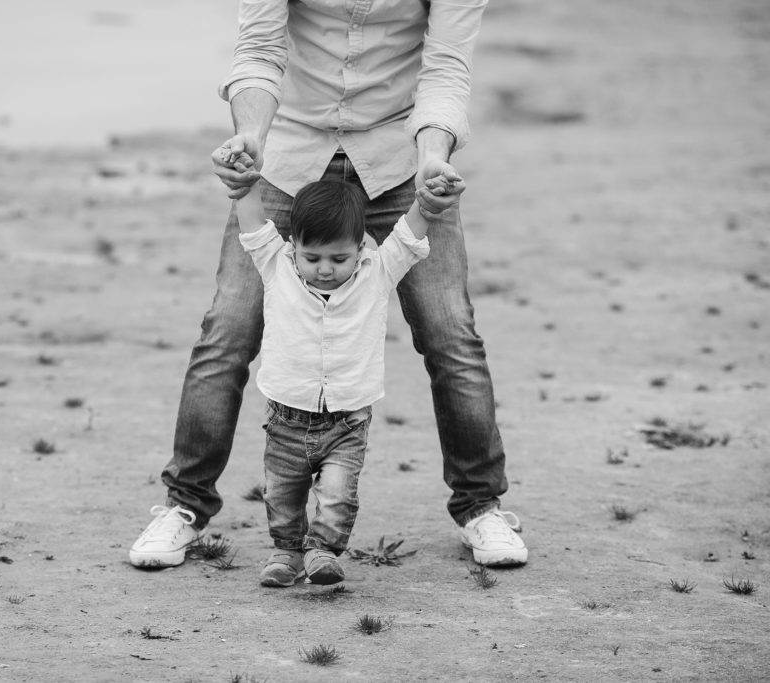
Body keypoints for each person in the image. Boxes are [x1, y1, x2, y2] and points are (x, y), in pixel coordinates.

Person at [128, 0, 527, 571]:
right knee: (229, 329)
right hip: (288, 152)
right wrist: (249, 136)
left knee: (449, 332)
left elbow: (445, 67)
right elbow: (260, 51)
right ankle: (183, 505)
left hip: (400, 159)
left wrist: (432, 162)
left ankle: (481, 507)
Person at [226, 150, 437, 586]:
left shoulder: (377, 273)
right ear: (294, 248)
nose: (324, 270)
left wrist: (429, 204)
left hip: (348, 419)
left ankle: (322, 551)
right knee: (282, 493)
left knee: (337, 496)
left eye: (339, 260)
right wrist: (243, 184)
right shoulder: (276, 267)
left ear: (359, 248)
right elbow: (253, 228)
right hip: (286, 416)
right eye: (312, 257)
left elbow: (407, 239)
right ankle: (286, 552)